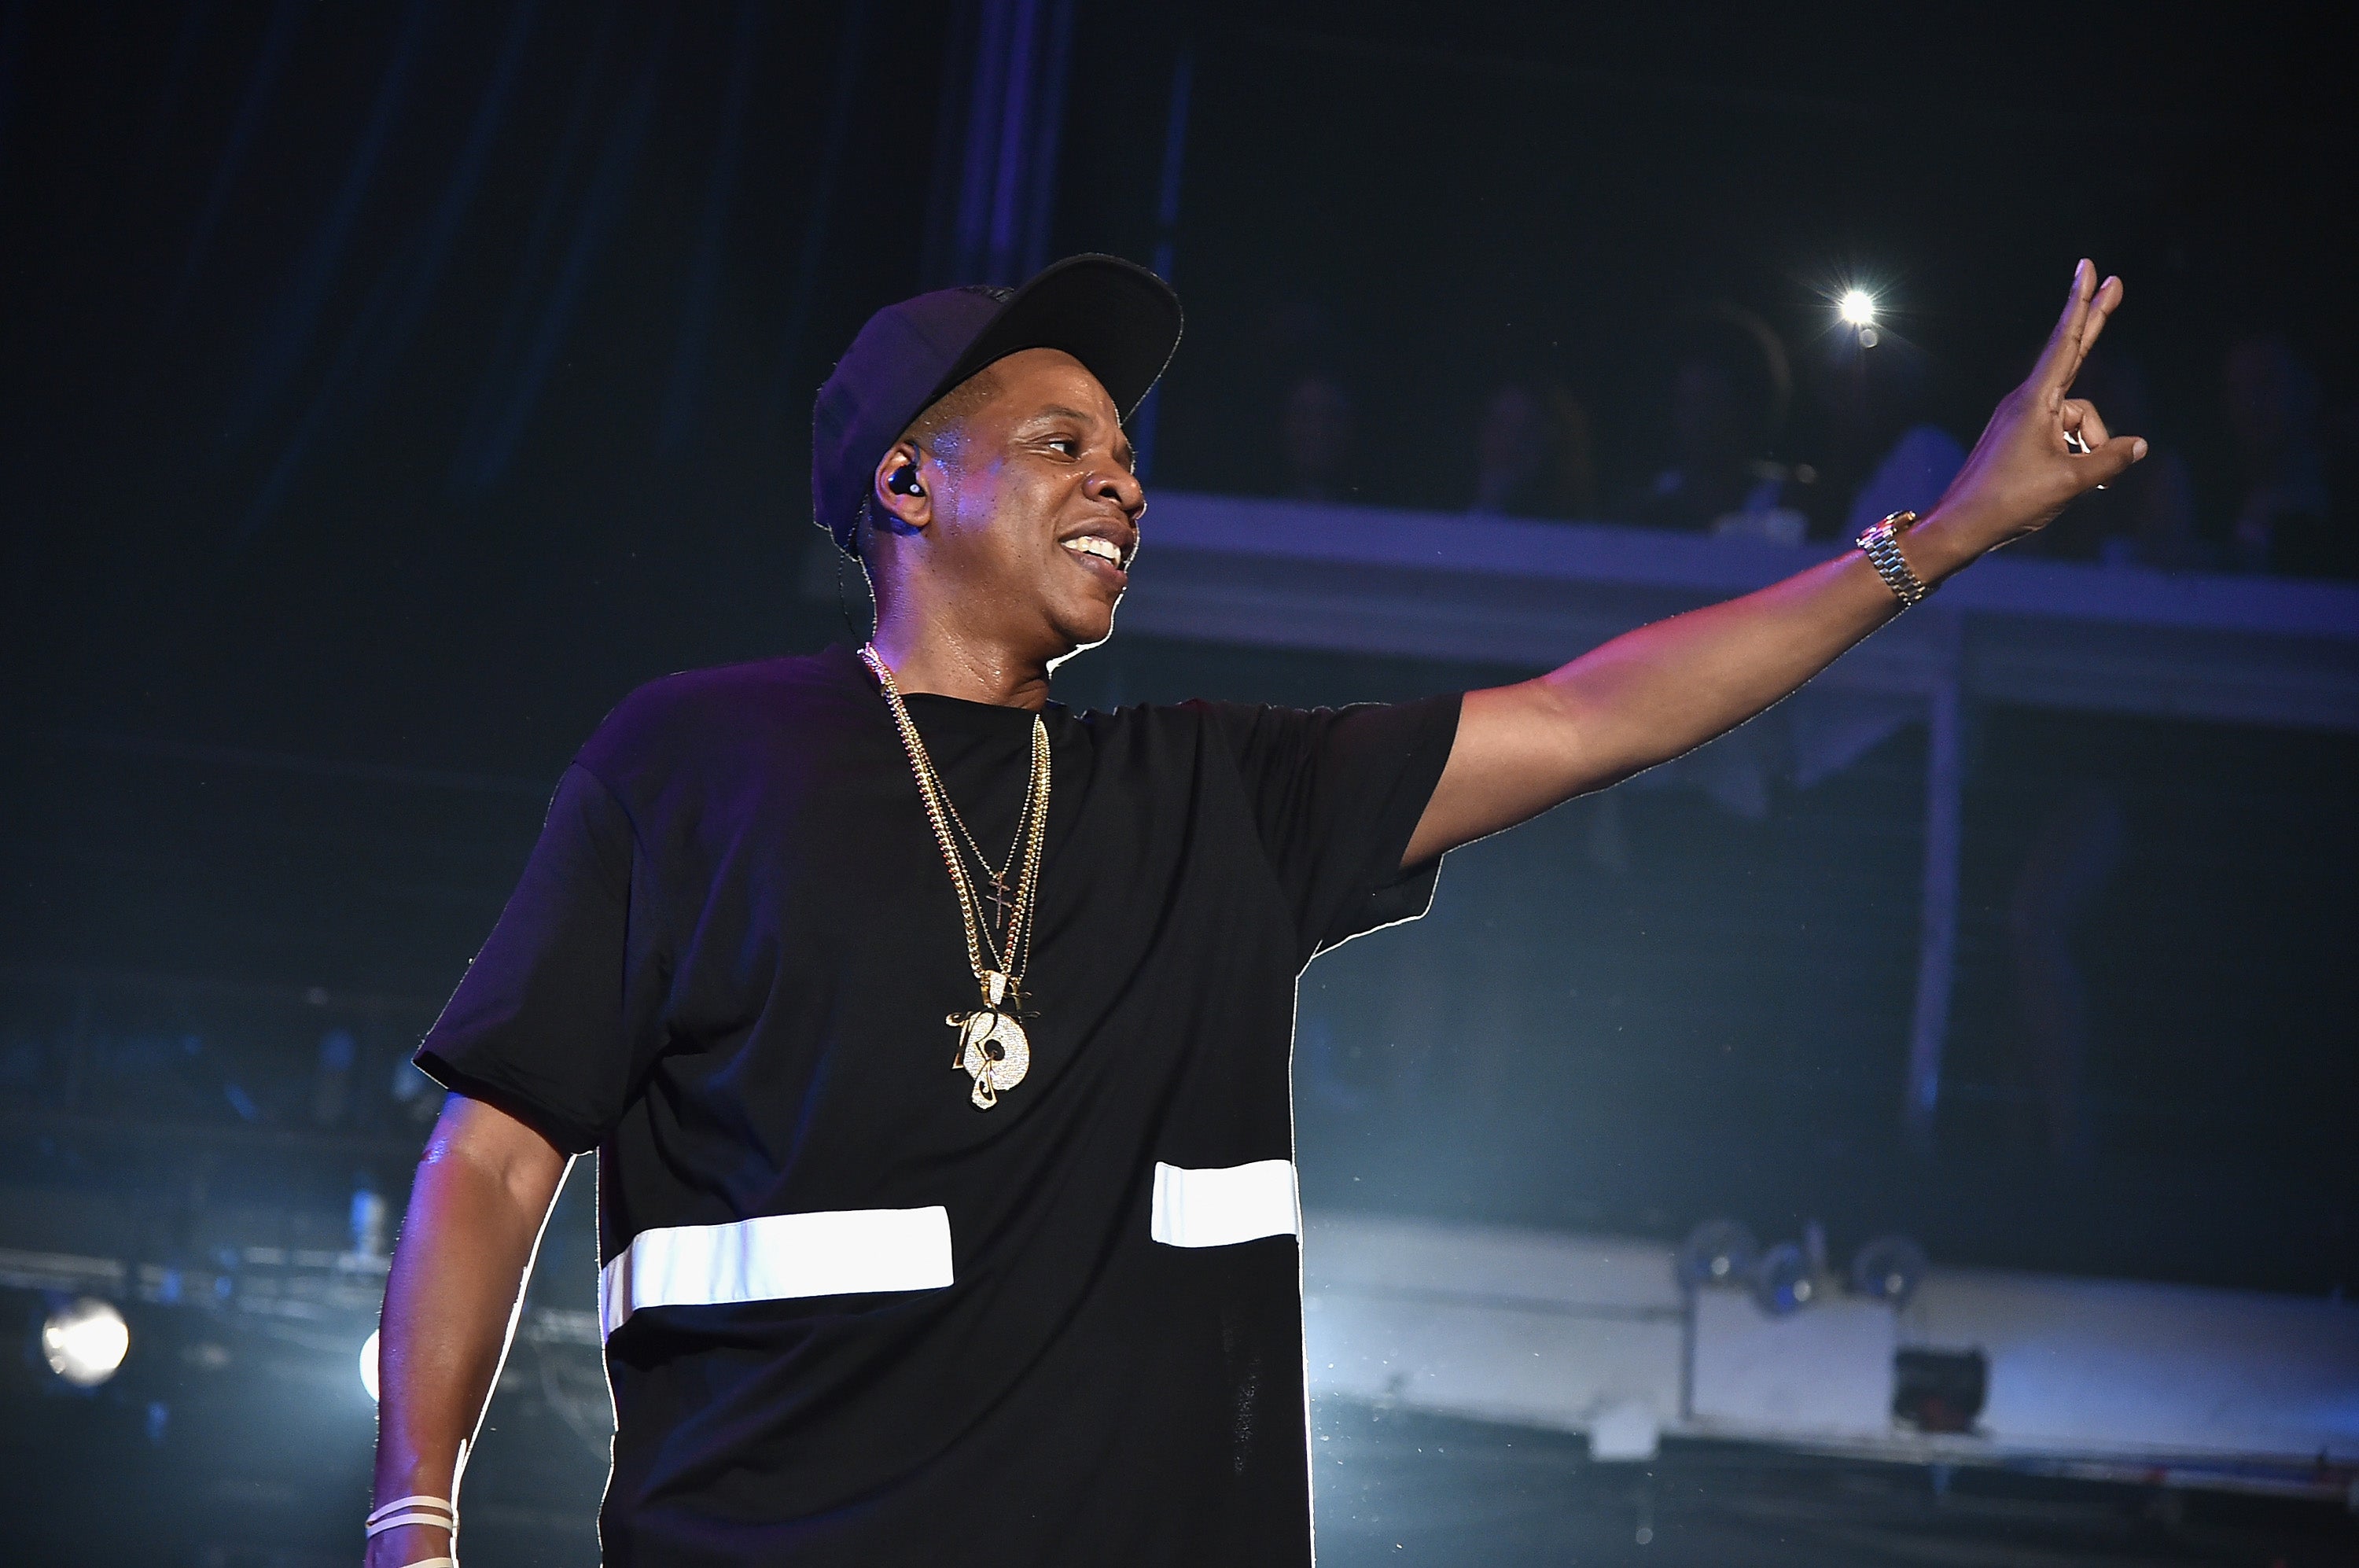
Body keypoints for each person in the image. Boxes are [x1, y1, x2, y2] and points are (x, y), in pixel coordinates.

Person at [367, 254, 2144, 1567]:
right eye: (1061, 441)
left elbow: (1594, 715)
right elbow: (495, 1156)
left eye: (1129, 452)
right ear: (908, 482)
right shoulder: (697, 760)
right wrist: (414, 1520)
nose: (1123, 480)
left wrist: (1940, 536)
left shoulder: (1215, 791)